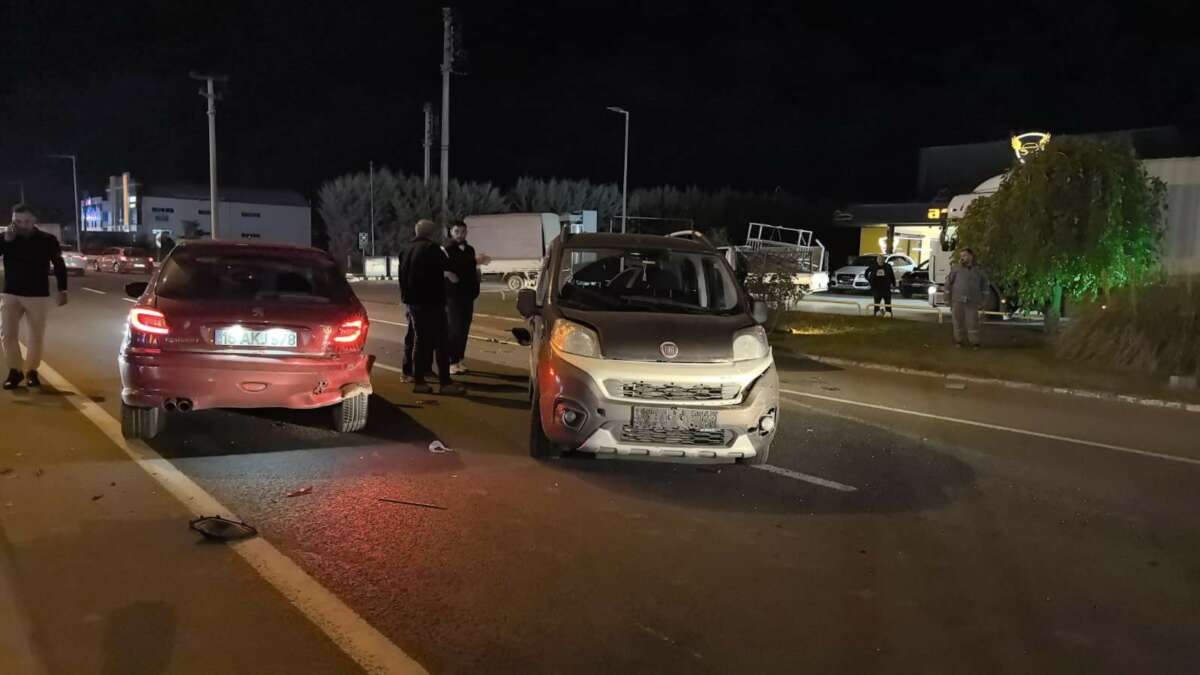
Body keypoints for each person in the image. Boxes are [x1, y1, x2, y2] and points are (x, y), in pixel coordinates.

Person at [0, 204, 68, 389]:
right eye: (18, 221)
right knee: (7, 334)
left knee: (36, 335)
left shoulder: (47, 240)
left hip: (37, 294)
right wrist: (6, 241)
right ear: (12, 221)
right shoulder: (6, 238)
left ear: (34, 220)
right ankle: (15, 371)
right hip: (11, 293)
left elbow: (59, 264)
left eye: (27, 221)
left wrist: (63, 289)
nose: (22, 225)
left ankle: (31, 371)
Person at [398, 219, 464, 395]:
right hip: (432, 301)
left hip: (413, 303)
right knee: (441, 342)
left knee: (420, 341)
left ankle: (419, 381)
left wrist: (406, 299)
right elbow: (448, 265)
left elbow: (402, 277)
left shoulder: (406, 250)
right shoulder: (432, 249)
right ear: (430, 233)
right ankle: (445, 383)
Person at [443, 222, 480, 375]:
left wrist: (475, 285)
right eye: (457, 231)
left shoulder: (470, 249)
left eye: (463, 231)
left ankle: (459, 359)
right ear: (451, 232)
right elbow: (437, 268)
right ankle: (451, 361)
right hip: (452, 296)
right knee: (454, 329)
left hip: (468, 295)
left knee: (464, 328)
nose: (460, 234)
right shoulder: (446, 249)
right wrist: (447, 273)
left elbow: (471, 269)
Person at [945, 248, 990, 349]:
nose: (962, 258)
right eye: (961, 256)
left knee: (973, 322)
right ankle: (959, 341)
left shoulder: (978, 270)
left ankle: (975, 342)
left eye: (964, 255)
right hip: (957, 301)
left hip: (972, 301)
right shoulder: (956, 269)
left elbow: (985, 286)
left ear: (971, 256)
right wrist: (947, 299)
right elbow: (948, 283)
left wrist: (984, 301)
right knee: (957, 322)